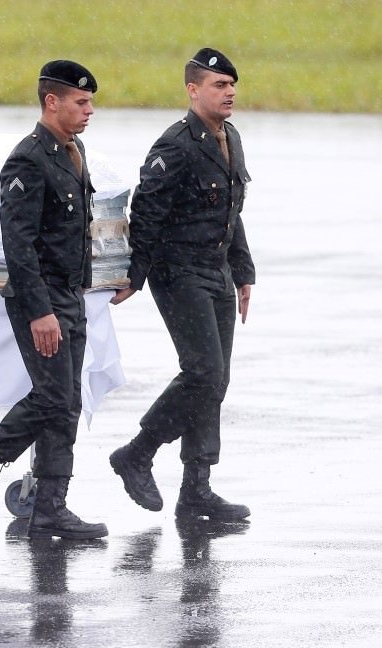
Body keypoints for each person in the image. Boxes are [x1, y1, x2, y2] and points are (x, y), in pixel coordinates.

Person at [0, 60, 108, 540]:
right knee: (53, 396)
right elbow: (19, 243)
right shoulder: (29, 160)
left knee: (66, 402)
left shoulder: (72, 152)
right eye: (81, 102)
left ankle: (52, 504)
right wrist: (40, 311)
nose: (89, 110)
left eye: (90, 101)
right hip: (41, 297)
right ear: (51, 102)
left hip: (69, 293)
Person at [108, 48, 254, 522]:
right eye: (218, 85)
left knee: (216, 381)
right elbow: (146, 212)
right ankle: (137, 452)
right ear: (193, 90)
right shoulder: (176, 145)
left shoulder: (229, 137)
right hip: (179, 272)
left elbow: (231, 212)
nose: (229, 92)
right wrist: (137, 273)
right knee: (203, 373)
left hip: (217, 273)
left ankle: (196, 491)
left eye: (232, 84)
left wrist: (244, 271)